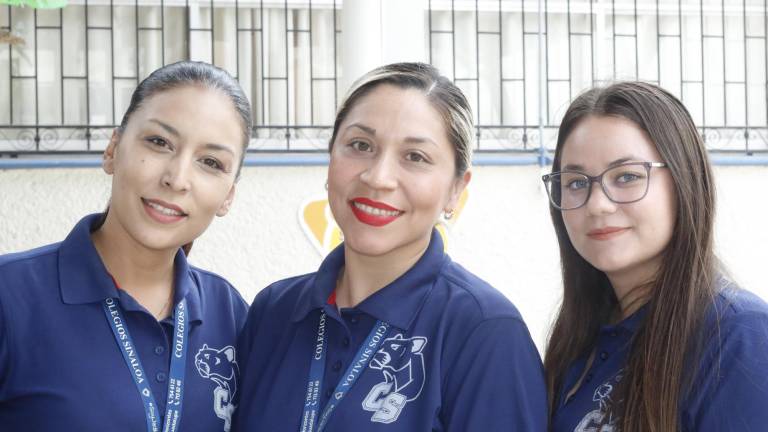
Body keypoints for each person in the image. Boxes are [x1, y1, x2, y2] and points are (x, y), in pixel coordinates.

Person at [231, 62, 547, 432]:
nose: (378, 177)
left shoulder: (485, 331)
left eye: (415, 157)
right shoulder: (275, 311)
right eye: (360, 145)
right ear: (331, 156)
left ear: (456, 188)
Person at [0, 61, 252, 432]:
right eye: (159, 142)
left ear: (228, 196)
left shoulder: (230, 313)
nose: (177, 178)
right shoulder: (11, 296)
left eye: (211, 162)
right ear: (112, 149)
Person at [542, 81, 768, 431]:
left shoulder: (738, 338)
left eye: (627, 176)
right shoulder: (578, 340)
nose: (598, 204)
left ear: (684, 181)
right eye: (576, 182)